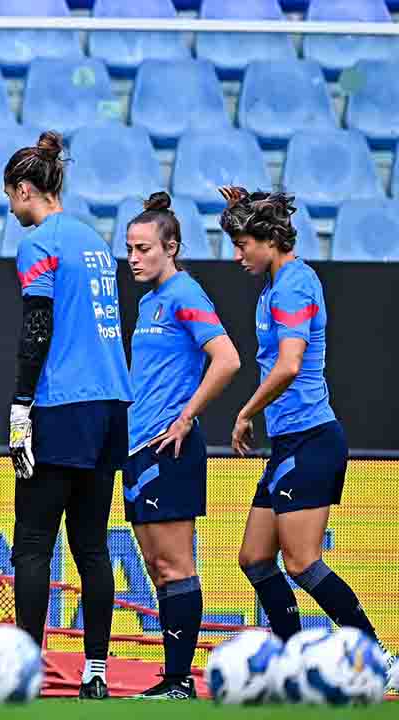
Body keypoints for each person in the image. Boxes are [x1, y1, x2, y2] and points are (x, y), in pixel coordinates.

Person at [220, 187, 391, 661]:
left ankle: (378, 657)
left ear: (269, 240)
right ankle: (293, 658)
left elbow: (290, 363)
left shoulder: (294, 283)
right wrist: (242, 206)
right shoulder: (277, 285)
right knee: (254, 557)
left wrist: (246, 411)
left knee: (301, 561)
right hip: (289, 443)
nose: (238, 255)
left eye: (243, 243)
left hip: (312, 439)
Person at [4, 131, 133, 700]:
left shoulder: (40, 243)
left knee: (32, 543)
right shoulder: (96, 242)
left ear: (26, 189)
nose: (10, 209)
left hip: (61, 404)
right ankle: (97, 672)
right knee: (92, 545)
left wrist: (20, 405)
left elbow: (38, 328)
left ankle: (27, 670)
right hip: (110, 404)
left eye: (10, 196)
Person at [123, 193, 241, 700]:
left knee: (175, 565)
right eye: (129, 248)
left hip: (169, 448)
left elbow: (227, 359)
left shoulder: (185, 292)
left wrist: (186, 416)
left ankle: (178, 682)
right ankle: (172, 678)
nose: (133, 258)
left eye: (143, 248)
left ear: (170, 247)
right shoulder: (150, 300)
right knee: (155, 566)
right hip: (139, 449)